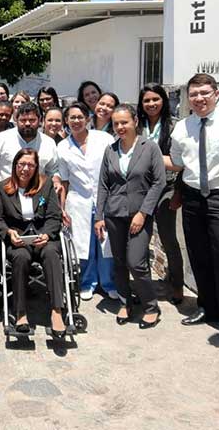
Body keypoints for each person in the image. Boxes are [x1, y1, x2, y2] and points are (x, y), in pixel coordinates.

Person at [169, 73, 219, 341]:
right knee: (198, 255)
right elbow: (179, 163)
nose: (199, 98)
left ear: (216, 93)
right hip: (193, 197)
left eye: (205, 93)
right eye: (194, 94)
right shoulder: (182, 127)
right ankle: (207, 307)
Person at [95, 104, 165, 328]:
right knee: (119, 262)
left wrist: (144, 213)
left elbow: (158, 182)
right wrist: (99, 215)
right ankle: (126, 302)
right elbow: (103, 185)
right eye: (116, 123)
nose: (120, 127)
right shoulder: (111, 150)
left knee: (137, 262)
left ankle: (151, 306)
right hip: (114, 213)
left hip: (139, 214)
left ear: (135, 121)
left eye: (124, 122)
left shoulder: (150, 147)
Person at [0, 149, 66, 336]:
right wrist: (9, 233)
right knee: (21, 257)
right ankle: (21, 312)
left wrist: (47, 235)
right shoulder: (2, 187)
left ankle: (57, 311)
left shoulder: (46, 184)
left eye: (30, 165)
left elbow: (54, 216)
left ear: (36, 167)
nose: (25, 169)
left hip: (43, 238)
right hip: (18, 240)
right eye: (21, 164)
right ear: (15, 165)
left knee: (51, 253)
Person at [57, 102, 117, 301]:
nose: (76, 121)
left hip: (105, 199)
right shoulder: (62, 147)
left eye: (79, 117)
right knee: (84, 245)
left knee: (106, 243)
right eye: (71, 118)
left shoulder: (104, 139)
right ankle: (87, 283)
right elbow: (64, 181)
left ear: (88, 119)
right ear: (66, 121)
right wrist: (62, 207)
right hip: (78, 201)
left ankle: (109, 283)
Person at [138, 84, 185, 304]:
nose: (151, 104)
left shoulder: (175, 126)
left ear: (164, 101)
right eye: (146, 100)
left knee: (167, 238)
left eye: (155, 99)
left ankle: (176, 286)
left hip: (167, 188)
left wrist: (178, 193)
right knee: (140, 239)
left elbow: (181, 163)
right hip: (141, 189)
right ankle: (143, 286)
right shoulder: (138, 125)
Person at [0, 101, 60, 189]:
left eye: (32, 120)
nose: (27, 124)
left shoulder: (49, 143)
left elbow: (53, 171)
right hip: (6, 196)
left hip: (37, 197)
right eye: (23, 120)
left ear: (40, 120)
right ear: (16, 119)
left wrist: (56, 182)